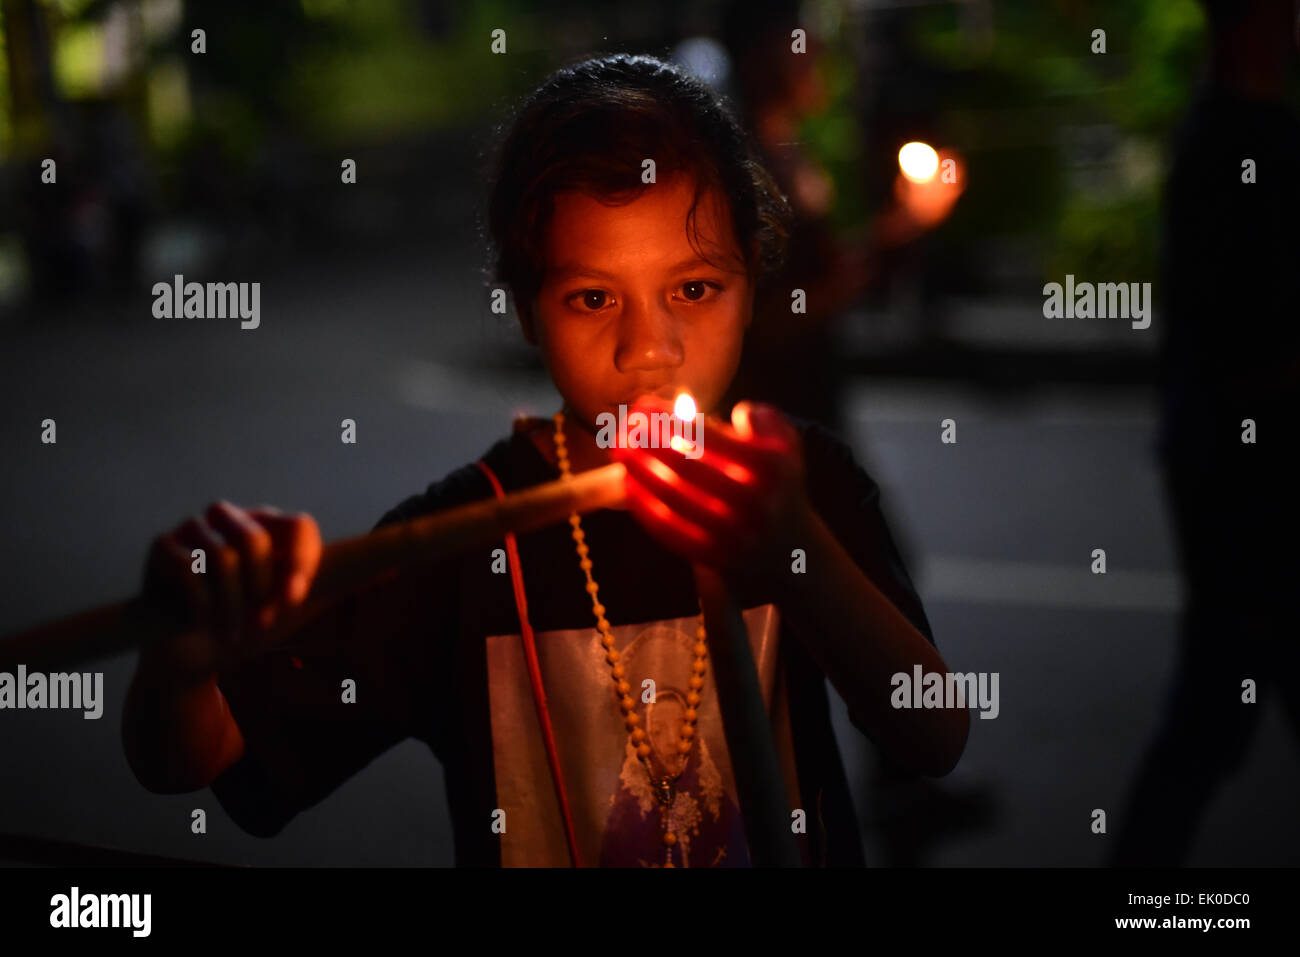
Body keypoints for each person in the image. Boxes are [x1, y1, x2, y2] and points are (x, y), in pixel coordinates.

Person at [121, 53, 968, 868]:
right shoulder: (463, 539)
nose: (649, 350)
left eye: (695, 289)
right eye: (593, 298)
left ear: (751, 285)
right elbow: (200, 755)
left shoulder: (800, 486)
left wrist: (798, 550)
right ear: (529, 312)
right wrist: (183, 658)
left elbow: (934, 733)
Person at [1111, 0, 1300, 866]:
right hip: (1247, 472)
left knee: (1220, 697)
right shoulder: (1236, 140)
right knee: (1216, 699)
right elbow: (1238, 325)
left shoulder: (1241, 129)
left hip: (1230, 458)